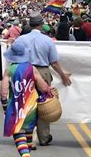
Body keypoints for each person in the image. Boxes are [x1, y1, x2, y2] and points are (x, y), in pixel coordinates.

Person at [16, 13, 71, 146]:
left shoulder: (21, 39)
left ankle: (29, 137)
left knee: (27, 103)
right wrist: (62, 74)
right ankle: (44, 136)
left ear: (30, 24)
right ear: (41, 24)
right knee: (44, 103)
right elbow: (54, 62)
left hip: (25, 71)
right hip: (42, 72)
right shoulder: (47, 40)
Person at [0, 40, 51, 157]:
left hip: (16, 107)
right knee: (28, 134)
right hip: (32, 106)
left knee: (18, 135)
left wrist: (5, 107)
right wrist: (49, 93)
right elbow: (43, 87)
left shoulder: (9, 70)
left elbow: (4, 93)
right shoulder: (32, 68)